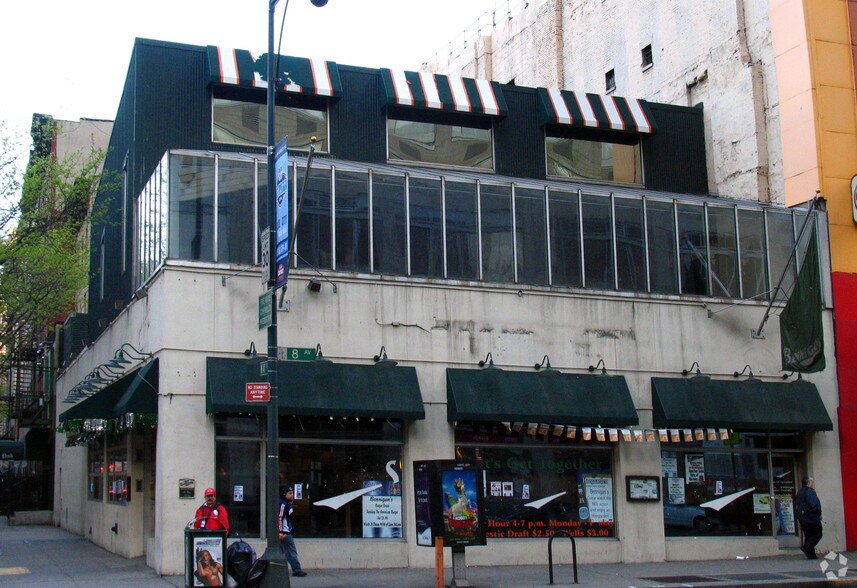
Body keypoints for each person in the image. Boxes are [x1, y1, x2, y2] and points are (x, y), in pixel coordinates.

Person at [278, 485, 307, 577]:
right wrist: (281, 532)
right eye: (290, 493)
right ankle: (297, 570)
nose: (292, 495)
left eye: (292, 493)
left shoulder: (287, 504)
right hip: (285, 532)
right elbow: (280, 517)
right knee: (291, 551)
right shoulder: (283, 504)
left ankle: (282, 570)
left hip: (286, 531)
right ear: (284, 494)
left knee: (284, 551)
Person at [795, 476, 822, 559]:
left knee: (809, 535)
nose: (812, 484)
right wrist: (817, 513)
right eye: (812, 482)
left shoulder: (800, 491)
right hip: (811, 517)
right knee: (818, 534)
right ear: (808, 483)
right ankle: (806, 547)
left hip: (802, 518)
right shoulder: (810, 492)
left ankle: (811, 555)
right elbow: (814, 505)